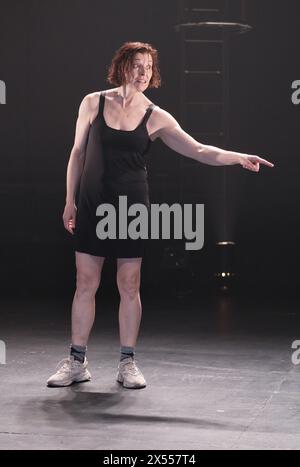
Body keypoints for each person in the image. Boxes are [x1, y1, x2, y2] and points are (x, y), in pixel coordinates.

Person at [47, 42, 274, 389]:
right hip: (93, 204)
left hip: (132, 209)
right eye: (137, 66)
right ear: (122, 66)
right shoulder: (93, 102)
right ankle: (77, 361)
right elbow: (77, 153)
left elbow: (198, 150)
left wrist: (237, 156)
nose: (143, 73)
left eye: (149, 67)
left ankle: (127, 363)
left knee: (129, 284)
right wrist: (69, 200)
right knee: (85, 283)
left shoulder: (157, 115)